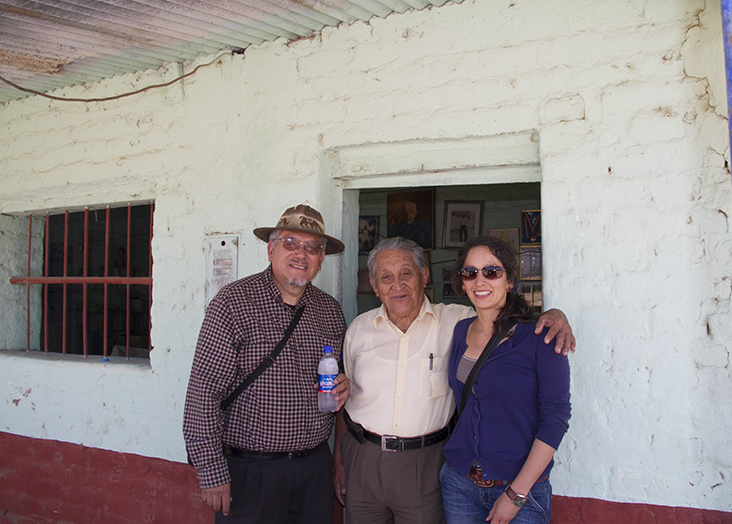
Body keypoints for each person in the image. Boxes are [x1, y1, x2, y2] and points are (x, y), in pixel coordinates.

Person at [333, 237, 574, 524]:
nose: (397, 284)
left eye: (406, 273)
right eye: (386, 277)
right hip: (380, 463)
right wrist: (339, 460)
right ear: (374, 285)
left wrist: (555, 315)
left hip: (430, 464)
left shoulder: (457, 322)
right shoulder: (360, 329)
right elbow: (345, 397)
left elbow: (555, 416)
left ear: (425, 275)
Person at [183, 204, 351, 523]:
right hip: (250, 472)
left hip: (314, 468)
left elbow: (339, 382)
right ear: (271, 249)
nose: (300, 254)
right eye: (290, 243)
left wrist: (344, 385)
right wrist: (211, 471)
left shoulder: (329, 311)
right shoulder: (233, 303)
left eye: (312, 247)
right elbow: (203, 393)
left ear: (320, 259)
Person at [440, 235, 571, 523]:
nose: (480, 281)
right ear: (461, 283)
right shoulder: (461, 330)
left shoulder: (541, 338)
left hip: (520, 489)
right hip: (459, 483)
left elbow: (555, 419)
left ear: (509, 280)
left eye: (492, 271)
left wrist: (516, 494)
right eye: (470, 273)